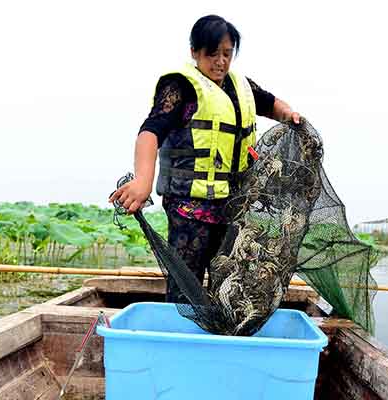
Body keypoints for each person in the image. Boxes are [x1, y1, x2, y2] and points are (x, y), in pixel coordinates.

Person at [109, 15, 300, 302]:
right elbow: (150, 132)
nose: (221, 62)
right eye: (212, 54)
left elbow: (271, 104)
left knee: (231, 282)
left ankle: (222, 337)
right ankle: (182, 337)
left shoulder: (241, 86)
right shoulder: (181, 87)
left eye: (227, 53)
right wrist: (142, 181)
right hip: (190, 208)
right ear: (194, 52)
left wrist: (290, 116)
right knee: (187, 283)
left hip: (233, 205)